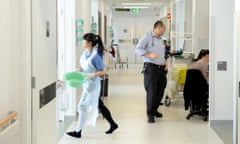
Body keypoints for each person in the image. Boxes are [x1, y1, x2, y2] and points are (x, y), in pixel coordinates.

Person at [66, 33, 118, 138]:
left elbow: (103, 71)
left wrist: (92, 74)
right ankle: (113, 124)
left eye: (84, 41)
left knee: (82, 106)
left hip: (93, 85)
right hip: (86, 83)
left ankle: (78, 131)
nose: (82, 42)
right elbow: (84, 66)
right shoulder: (85, 52)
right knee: (99, 105)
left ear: (89, 43)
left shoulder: (95, 56)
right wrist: (79, 70)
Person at [135, 20, 167, 123]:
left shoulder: (161, 39)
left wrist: (165, 61)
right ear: (158, 27)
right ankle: (150, 114)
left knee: (160, 90)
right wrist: (149, 54)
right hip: (151, 68)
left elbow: (161, 52)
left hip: (161, 68)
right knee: (152, 91)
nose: (164, 30)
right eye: (164, 28)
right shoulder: (147, 37)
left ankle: (154, 109)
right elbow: (138, 49)